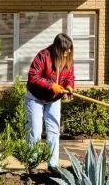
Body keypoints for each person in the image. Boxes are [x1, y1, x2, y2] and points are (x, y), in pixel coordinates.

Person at [25, 33, 75, 172]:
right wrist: (51, 85)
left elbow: (70, 76)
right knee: (35, 130)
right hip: (35, 97)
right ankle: (32, 163)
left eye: (69, 49)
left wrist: (69, 86)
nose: (68, 52)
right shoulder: (43, 55)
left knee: (53, 131)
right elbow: (33, 76)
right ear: (58, 48)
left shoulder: (68, 59)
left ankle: (52, 164)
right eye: (65, 50)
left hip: (54, 99)